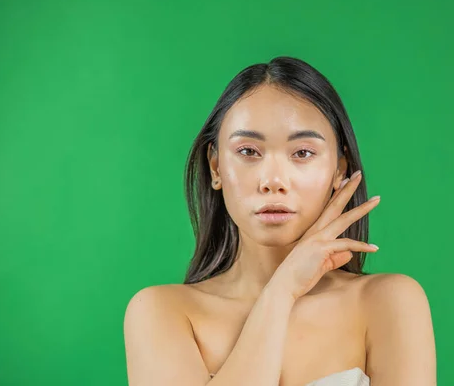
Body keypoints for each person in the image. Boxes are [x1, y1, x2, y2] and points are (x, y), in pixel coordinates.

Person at [124, 56, 436, 386]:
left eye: (302, 153)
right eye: (248, 151)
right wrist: (281, 290)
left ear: (340, 168)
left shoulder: (389, 303)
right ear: (216, 167)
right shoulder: (161, 313)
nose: (273, 180)